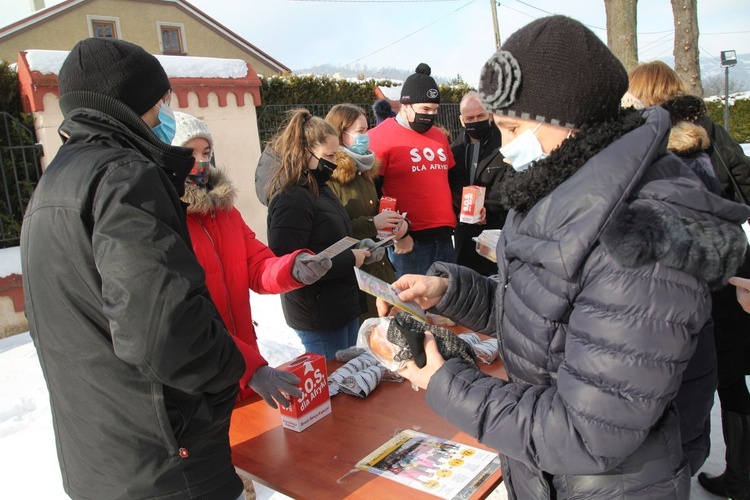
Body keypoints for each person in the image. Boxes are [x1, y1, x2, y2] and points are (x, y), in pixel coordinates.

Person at [383, 16, 750, 499]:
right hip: (549, 475)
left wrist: (446, 383)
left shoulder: (638, 239)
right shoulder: (557, 188)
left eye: (512, 127)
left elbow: (589, 431)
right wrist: (452, 292)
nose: (507, 145)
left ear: (567, 119)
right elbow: (551, 316)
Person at [21, 38, 247, 500]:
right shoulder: (126, 176)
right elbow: (164, 331)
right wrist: (229, 367)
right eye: (161, 102)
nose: (165, 115)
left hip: (101, 456)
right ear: (132, 104)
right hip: (164, 459)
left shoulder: (54, 183)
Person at [630, 61, 750, 498]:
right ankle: (738, 470)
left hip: (694, 278)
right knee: (727, 374)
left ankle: (702, 468)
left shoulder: (649, 141)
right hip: (729, 266)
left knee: (692, 374)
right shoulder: (713, 131)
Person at [172, 111, 332, 409]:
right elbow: (183, 317)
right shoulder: (168, 223)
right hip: (202, 381)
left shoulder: (226, 213)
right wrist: (248, 367)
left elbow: (258, 266)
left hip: (247, 369)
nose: (200, 162)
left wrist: (293, 268)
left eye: (205, 152)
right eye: (188, 153)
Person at [266, 109, 373, 359]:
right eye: (329, 155)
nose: (334, 163)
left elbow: (331, 237)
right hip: (317, 312)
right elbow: (289, 263)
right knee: (330, 384)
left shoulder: (319, 188)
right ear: (305, 153)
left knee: (346, 374)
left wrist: (361, 248)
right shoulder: (291, 198)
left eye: (336, 155)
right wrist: (350, 259)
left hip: (340, 304)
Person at [368, 63, 460, 277]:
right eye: (425, 110)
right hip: (410, 242)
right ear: (405, 106)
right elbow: (373, 194)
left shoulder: (438, 136)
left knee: (448, 307)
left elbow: (452, 178)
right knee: (414, 307)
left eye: (434, 110)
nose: (430, 115)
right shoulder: (380, 137)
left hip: (445, 238)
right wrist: (397, 235)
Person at [324, 104, 406, 321]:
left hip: (380, 271)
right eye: (360, 132)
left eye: (366, 130)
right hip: (354, 278)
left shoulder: (366, 169)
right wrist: (372, 223)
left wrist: (396, 226)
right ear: (340, 133)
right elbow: (332, 231)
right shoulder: (330, 177)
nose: (366, 137)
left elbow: (376, 214)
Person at [450, 91, 511, 276]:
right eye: (470, 118)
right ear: (462, 120)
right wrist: (466, 207)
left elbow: (512, 184)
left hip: (498, 229)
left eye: (480, 116)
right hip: (465, 235)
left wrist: (482, 206)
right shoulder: (454, 150)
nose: (476, 121)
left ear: (490, 115)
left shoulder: (506, 144)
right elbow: (452, 185)